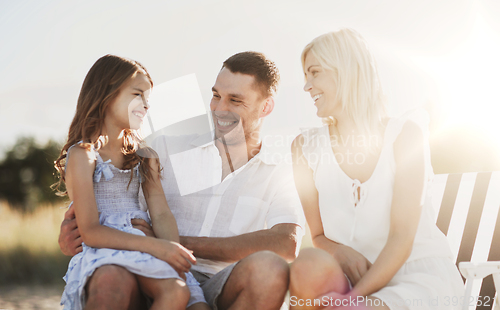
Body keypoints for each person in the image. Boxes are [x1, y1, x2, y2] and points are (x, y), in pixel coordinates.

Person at [59, 51, 306, 310]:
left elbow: (287, 243)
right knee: (111, 280)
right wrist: (72, 237)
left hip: (220, 283)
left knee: (269, 269)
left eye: (235, 100)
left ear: (265, 107)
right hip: (147, 273)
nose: (220, 108)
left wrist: (171, 245)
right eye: (216, 95)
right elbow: (105, 208)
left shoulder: (281, 171)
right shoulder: (162, 149)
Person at [289, 29, 464, 309]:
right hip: (352, 279)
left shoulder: (405, 135)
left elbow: (402, 239)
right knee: (308, 264)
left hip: (414, 277)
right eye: (306, 76)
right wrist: (340, 252)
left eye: (315, 73)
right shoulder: (304, 148)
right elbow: (318, 236)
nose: (307, 86)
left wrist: (352, 299)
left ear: (345, 72)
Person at [54, 55, 209, 310]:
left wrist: (172, 252)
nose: (145, 105)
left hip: (148, 248)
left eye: (148, 99)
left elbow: (160, 213)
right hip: (105, 247)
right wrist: (156, 247)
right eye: (138, 94)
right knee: (110, 287)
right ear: (107, 93)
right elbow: (91, 232)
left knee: (178, 292)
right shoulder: (83, 155)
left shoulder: (144, 156)